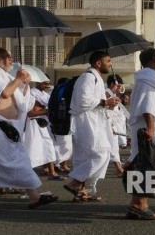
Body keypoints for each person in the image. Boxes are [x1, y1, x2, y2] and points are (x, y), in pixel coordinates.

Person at [0, 48, 57, 211]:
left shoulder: (6, 76)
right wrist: (18, 79)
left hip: (7, 127)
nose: (11, 61)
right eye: (7, 58)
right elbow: (4, 93)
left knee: (10, 159)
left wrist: (24, 84)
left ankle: (33, 197)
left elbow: (20, 101)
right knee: (1, 161)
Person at [63, 51, 120, 202]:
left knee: (84, 158)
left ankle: (81, 192)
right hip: (86, 123)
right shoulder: (88, 77)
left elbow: (95, 101)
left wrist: (110, 99)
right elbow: (82, 101)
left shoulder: (96, 78)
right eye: (108, 61)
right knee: (101, 153)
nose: (110, 64)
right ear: (98, 63)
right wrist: (105, 102)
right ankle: (74, 182)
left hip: (93, 122)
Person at [125, 47, 155, 220]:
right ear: (154, 58)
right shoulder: (147, 78)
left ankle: (135, 204)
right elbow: (148, 104)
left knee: (145, 164)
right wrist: (151, 128)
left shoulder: (151, 78)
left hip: (153, 126)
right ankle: (139, 203)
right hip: (151, 127)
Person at [24, 80, 64, 180]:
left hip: (44, 124)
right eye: (44, 83)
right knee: (32, 150)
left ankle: (52, 172)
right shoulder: (32, 94)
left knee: (49, 147)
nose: (46, 86)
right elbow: (29, 113)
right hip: (34, 124)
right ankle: (27, 175)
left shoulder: (44, 95)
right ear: (38, 82)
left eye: (47, 84)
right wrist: (44, 111)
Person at [105, 74, 128, 177]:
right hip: (106, 124)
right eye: (118, 86)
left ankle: (119, 169)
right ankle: (119, 170)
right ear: (111, 84)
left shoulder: (113, 94)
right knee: (113, 148)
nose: (120, 88)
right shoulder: (106, 94)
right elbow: (104, 110)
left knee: (113, 148)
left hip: (112, 124)